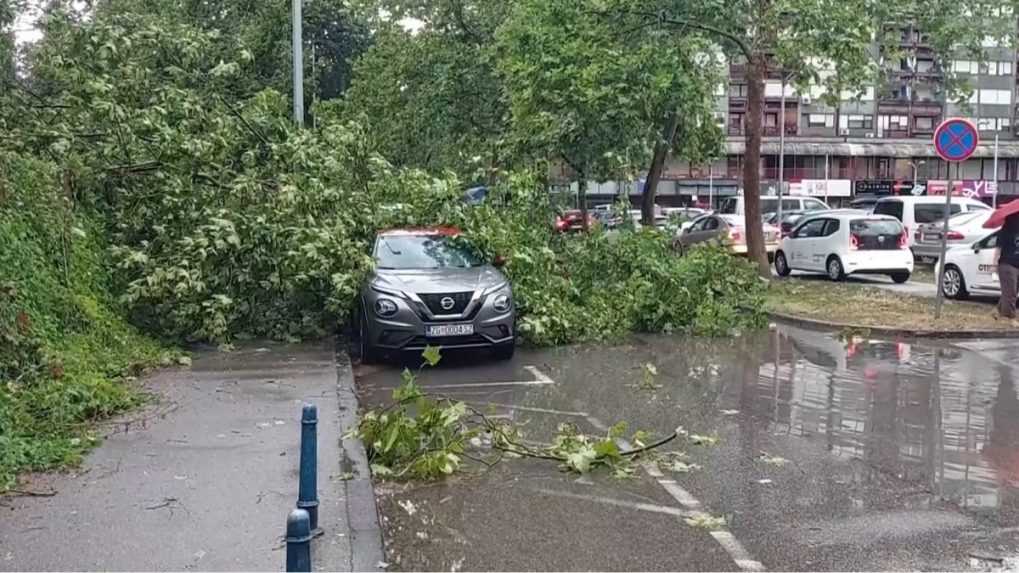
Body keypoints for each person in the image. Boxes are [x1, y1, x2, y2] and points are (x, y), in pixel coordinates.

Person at [997, 213, 1019, 319]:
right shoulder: (1004, 232)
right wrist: (994, 264)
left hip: (1016, 264)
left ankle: (999, 312)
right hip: (1007, 264)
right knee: (1011, 293)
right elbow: (998, 249)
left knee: (1010, 291)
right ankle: (1008, 317)